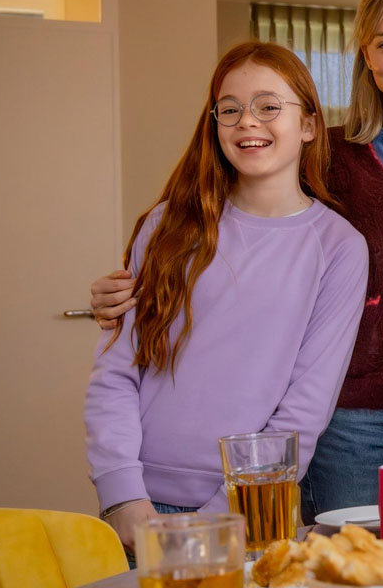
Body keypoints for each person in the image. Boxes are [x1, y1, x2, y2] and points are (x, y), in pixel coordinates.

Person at [90, 0, 383, 521]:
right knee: (358, 568)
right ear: (366, 55)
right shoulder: (332, 153)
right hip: (352, 417)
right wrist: (124, 295)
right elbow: (246, 215)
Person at [84, 42, 368, 550]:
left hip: (254, 510)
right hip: (141, 504)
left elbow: (304, 410)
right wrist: (122, 494)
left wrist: (220, 520)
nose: (247, 122)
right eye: (230, 109)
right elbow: (116, 368)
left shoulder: (339, 247)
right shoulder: (168, 224)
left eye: (268, 106)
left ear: (308, 125)